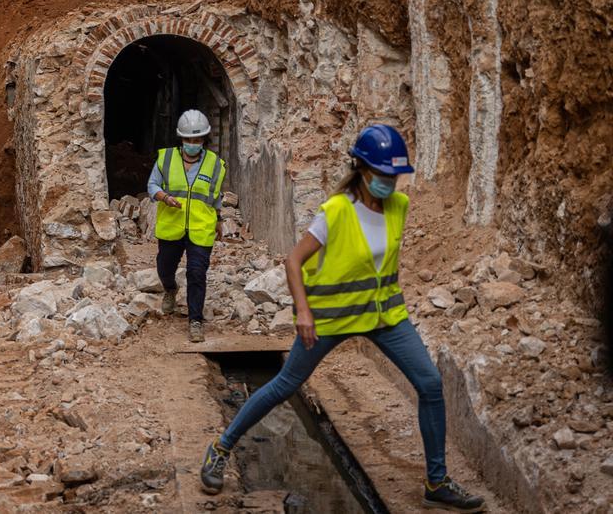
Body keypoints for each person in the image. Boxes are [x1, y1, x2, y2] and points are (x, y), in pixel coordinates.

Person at [198, 125, 486, 513]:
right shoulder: (335, 211)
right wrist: (303, 312)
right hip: (330, 318)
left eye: (394, 176)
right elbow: (294, 261)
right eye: (384, 175)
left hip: (384, 316)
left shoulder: (398, 206)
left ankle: (436, 482)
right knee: (285, 384)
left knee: (430, 384)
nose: (390, 182)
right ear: (363, 169)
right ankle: (221, 448)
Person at [147, 109, 226, 344]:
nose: (193, 143)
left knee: (196, 272)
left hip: (201, 227)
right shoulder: (166, 158)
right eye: (189, 139)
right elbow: (152, 184)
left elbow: (215, 196)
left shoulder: (215, 164)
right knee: (165, 267)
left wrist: (219, 220)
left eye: (198, 139)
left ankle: (196, 320)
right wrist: (164, 197)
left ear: (204, 139)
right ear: (181, 138)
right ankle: (170, 289)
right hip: (172, 225)